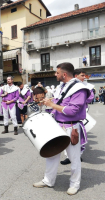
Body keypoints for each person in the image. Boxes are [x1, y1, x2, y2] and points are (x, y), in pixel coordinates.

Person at [33, 62, 89, 195]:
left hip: (71, 127)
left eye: (57, 73)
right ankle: (48, 180)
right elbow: (60, 103)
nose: (55, 75)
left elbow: (72, 111)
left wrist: (52, 104)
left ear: (64, 74)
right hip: (57, 126)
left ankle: (74, 184)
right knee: (52, 154)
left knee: (74, 158)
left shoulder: (79, 88)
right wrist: (49, 104)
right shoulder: (63, 86)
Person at [60, 69, 94, 165]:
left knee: (77, 135)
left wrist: (80, 98)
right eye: (82, 75)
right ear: (76, 76)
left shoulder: (86, 86)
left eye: (84, 75)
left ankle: (78, 155)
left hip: (81, 111)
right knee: (69, 136)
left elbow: (90, 98)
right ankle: (69, 156)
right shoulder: (65, 86)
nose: (84, 77)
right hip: (67, 113)